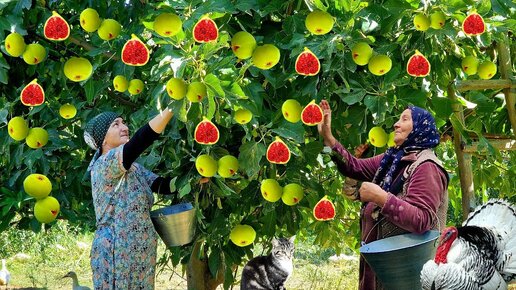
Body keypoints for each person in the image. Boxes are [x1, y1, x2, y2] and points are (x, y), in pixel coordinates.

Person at [317, 100, 449, 290]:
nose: (396, 124)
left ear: (420, 128)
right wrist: (328, 140)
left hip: (407, 275)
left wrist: (380, 197)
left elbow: (422, 220)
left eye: (404, 119)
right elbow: (353, 167)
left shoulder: (426, 167)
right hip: (384, 270)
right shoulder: (394, 158)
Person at [84, 108, 175, 289]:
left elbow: (163, 186)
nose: (124, 127)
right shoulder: (105, 163)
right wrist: (170, 110)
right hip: (116, 249)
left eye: (123, 122)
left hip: (140, 252)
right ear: (103, 139)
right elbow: (141, 141)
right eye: (115, 125)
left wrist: (195, 176)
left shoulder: (134, 168)